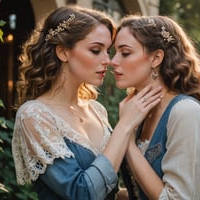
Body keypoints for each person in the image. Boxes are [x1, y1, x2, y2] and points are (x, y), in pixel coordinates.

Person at [11, 6, 163, 200]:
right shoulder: (34, 115)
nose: (108, 61)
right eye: (95, 50)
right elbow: (82, 193)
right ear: (63, 52)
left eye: (107, 51)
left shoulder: (96, 110)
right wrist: (124, 126)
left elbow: (109, 190)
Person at [111, 15, 200, 199]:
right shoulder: (143, 112)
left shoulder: (185, 112)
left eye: (125, 53)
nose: (113, 61)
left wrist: (127, 138)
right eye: (114, 52)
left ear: (156, 58)